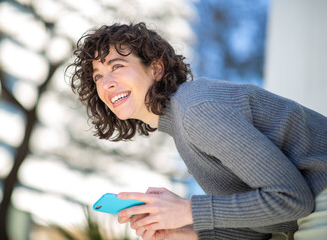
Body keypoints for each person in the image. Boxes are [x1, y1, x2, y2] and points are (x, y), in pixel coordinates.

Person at [67, 22, 327, 240]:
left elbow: (293, 199)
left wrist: (187, 209)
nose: (107, 84)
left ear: (156, 69)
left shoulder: (195, 111)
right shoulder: (181, 125)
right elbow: (276, 219)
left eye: (116, 66)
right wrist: (188, 231)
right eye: (98, 76)